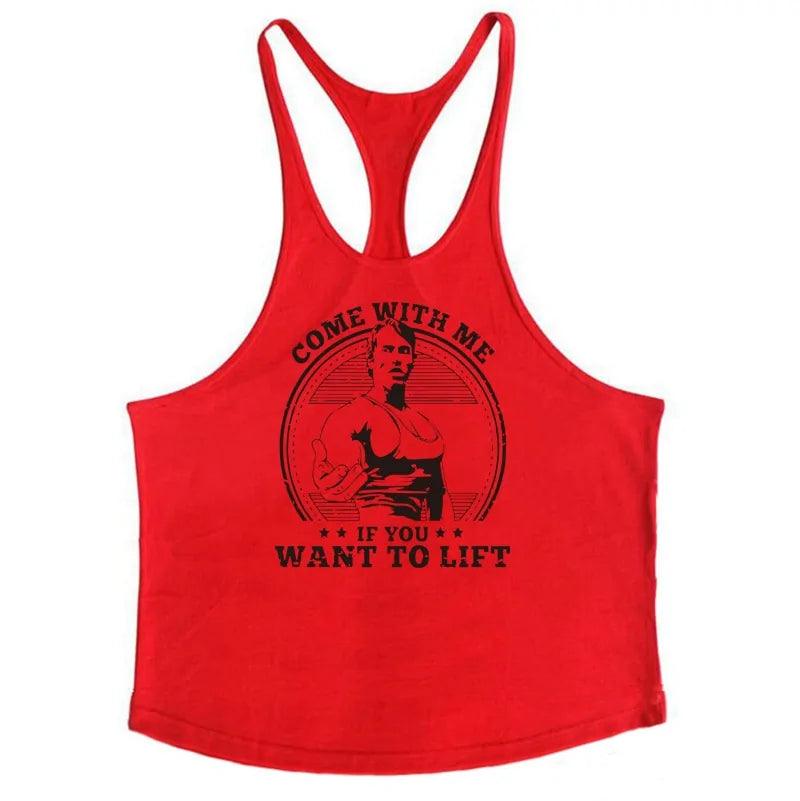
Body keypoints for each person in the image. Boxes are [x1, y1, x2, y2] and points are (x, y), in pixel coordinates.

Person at [311, 319, 452, 520]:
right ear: (370, 359)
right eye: (387, 349)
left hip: (421, 540)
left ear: (413, 360)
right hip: (371, 536)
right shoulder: (354, 414)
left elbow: (439, 496)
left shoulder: (425, 425)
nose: (396, 359)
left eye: (403, 351)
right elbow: (331, 469)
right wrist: (328, 480)